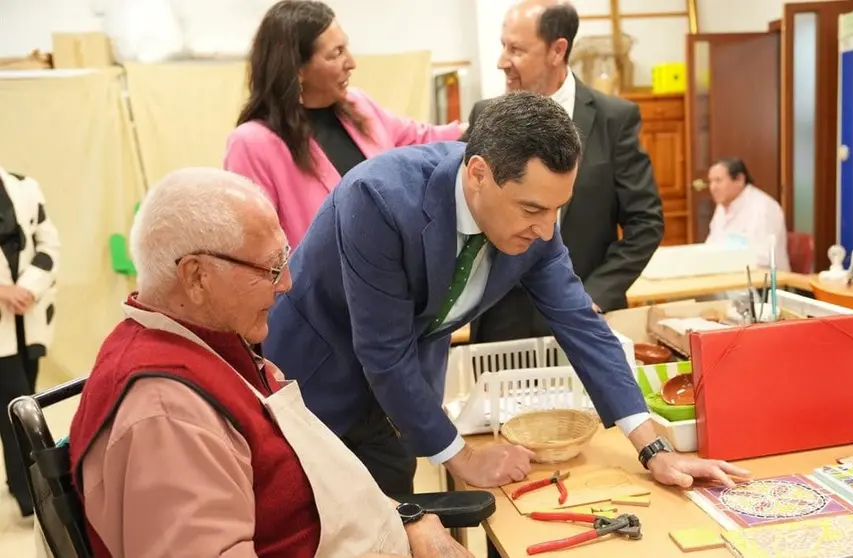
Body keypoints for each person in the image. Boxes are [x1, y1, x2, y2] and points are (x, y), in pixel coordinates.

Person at [262, 91, 748, 498]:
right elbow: (382, 350)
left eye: (557, 209)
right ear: (477, 174)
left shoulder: (537, 221)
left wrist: (654, 449)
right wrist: (465, 458)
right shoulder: (378, 197)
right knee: (316, 525)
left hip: (401, 398)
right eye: (533, 208)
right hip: (311, 382)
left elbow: (581, 324)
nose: (545, 229)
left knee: (391, 519)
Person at [67, 168, 471, 558]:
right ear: (196, 276)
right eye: (270, 269)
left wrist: (407, 519)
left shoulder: (216, 351)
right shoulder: (166, 415)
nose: (286, 284)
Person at [465, 0, 663, 343]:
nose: (502, 62)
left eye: (516, 50)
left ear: (558, 50)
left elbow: (646, 223)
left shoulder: (613, 119)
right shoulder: (486, 115)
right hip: (500, 320)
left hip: (584, 319)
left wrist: (594, 294)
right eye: (503, 46)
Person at [224, 0, 466, 249]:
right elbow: (255, 244)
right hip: (317, 287)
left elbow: (422, 139)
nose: (351, 62)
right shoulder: (252, 144)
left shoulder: (359, 105)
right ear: (297, 69)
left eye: (346, 48)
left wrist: (482, 123)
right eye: (336, 53)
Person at [0, 167, 59, 520]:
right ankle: (35, 497)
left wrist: (28, 288)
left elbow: (48, 244)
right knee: (18, 410)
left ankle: (21, 483)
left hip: (28, 315)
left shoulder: (23, 186)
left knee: (22, 400)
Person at [705, 157, 790, 271]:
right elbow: (711, 246)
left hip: (761, 282)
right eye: (710, 182)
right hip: (727, 276)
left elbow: (764, 259)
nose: (712, 188)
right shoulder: (722, 206)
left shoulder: (763, 208)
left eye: (718, 181)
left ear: (740, 180)